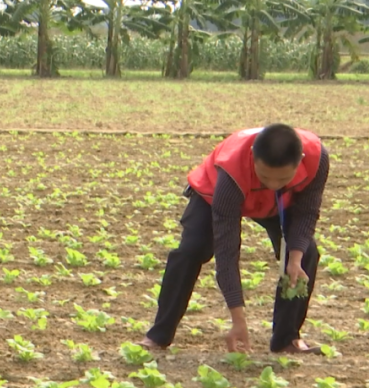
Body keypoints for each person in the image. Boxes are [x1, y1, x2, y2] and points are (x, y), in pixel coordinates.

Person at [141, 124, 329, 354]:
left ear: (300, 160)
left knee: (306, 252)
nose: (272, 184)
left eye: (282, 178)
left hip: (277, 204)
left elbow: (307, 212)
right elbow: (227, 251)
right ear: (252, 157)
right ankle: (158, 335)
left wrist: (295, 258)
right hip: (215, 194)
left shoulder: (316, 158)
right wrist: (237, 319)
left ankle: (286, 339)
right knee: (192, 249)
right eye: (265, 176)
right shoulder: (231, 172)